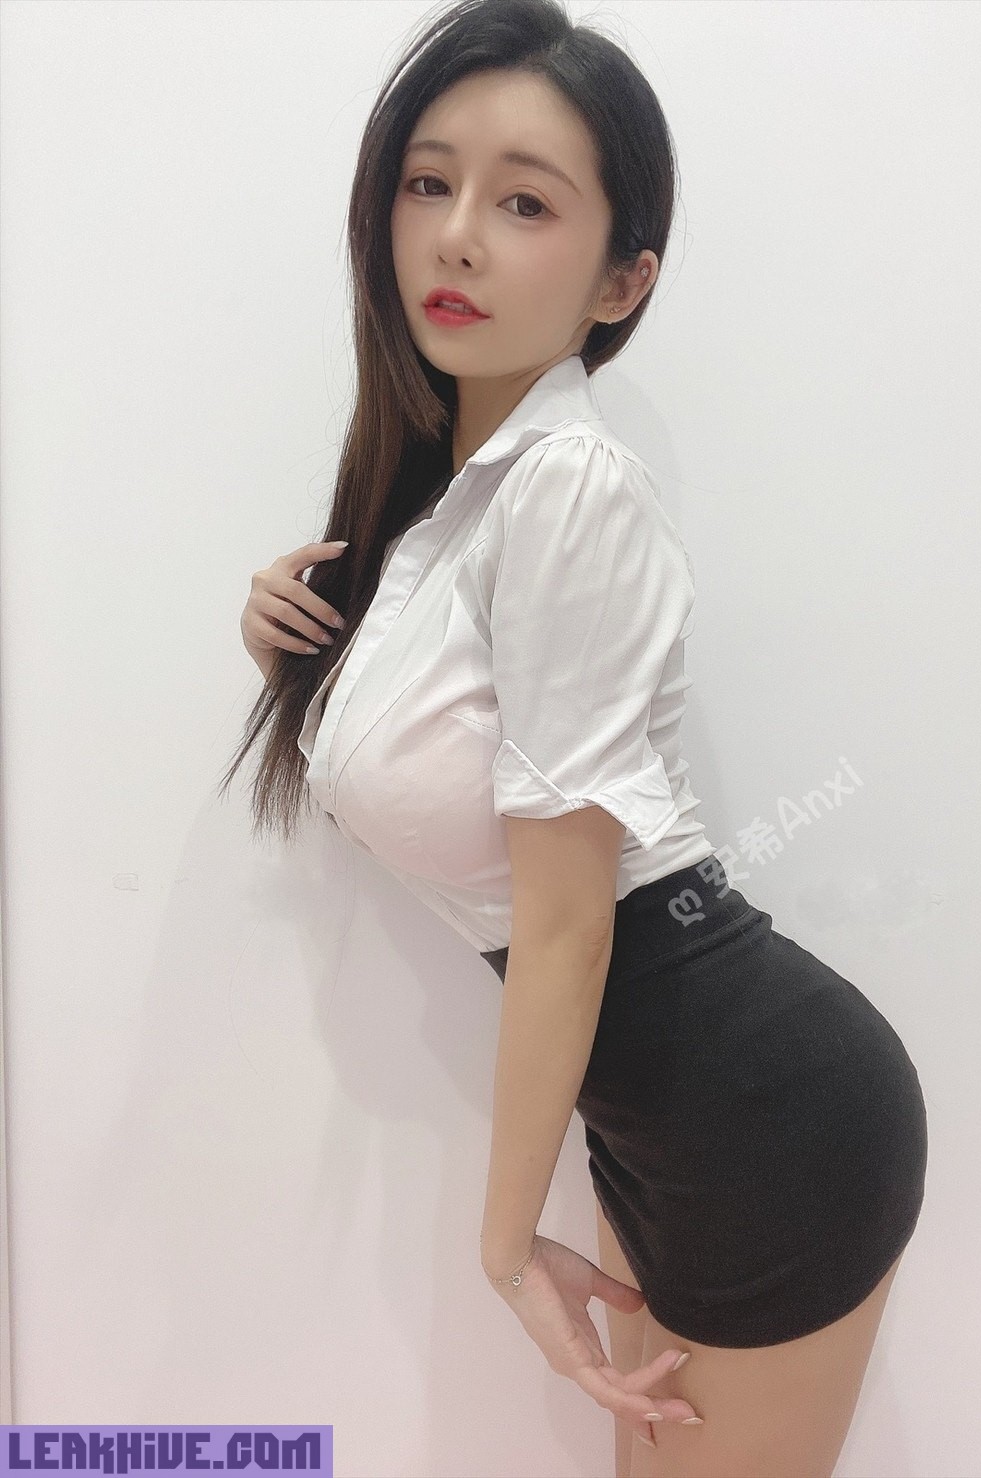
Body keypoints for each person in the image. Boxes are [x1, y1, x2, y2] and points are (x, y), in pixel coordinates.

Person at [225, 2, 928, 1473]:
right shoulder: (455, 500)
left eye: (525, 202)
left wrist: (505, 1249)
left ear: (624, 278)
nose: (456, 236)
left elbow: (566, 922)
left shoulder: (569, 486)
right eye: (429, 182)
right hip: (666, 1115)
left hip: (765, 1117)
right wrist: (297, 649)